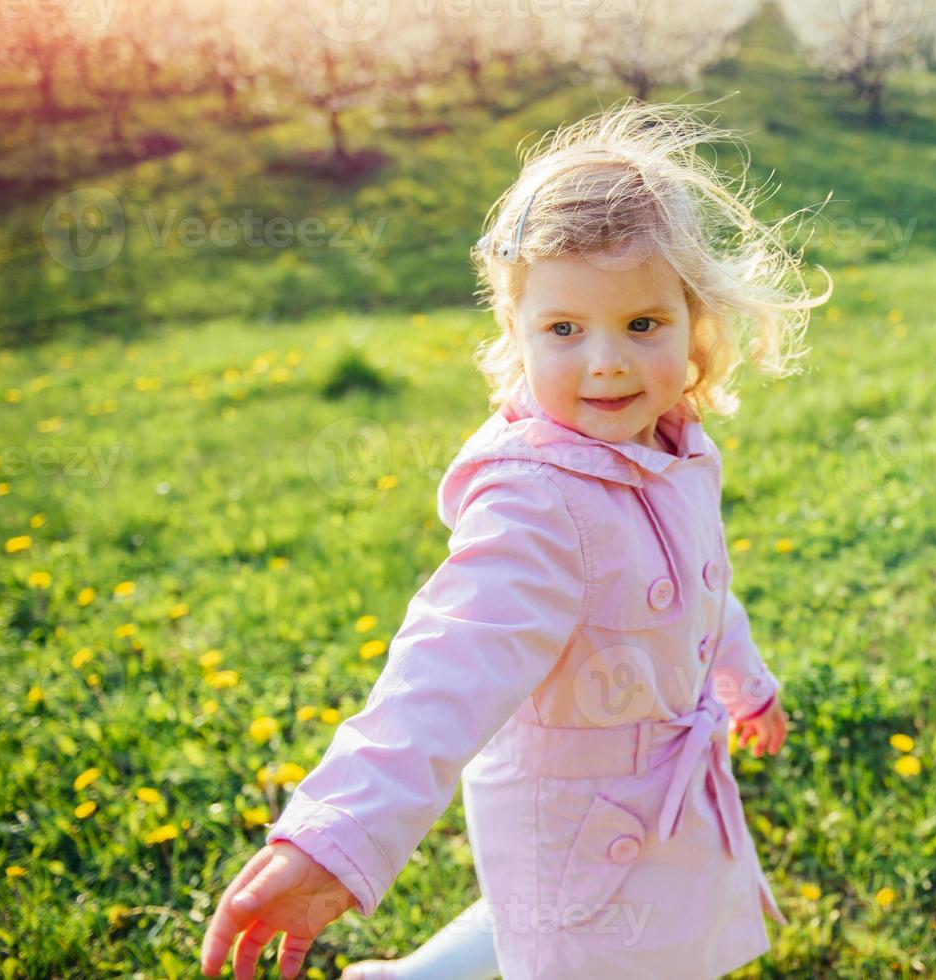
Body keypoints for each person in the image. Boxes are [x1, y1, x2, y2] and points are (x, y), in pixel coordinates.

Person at [198, 97, 833, 980]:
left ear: (695, 323)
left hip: (655, 799)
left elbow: (703, 588)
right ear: (518, 332)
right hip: (575, 817)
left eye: (641, 324)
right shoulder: (534, 503)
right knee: (575, 942)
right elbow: (442, 671)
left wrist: (742, 682)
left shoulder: (677, 447)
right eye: (565, 330)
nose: (605, 359)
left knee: (562, 925)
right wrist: (337, 833)